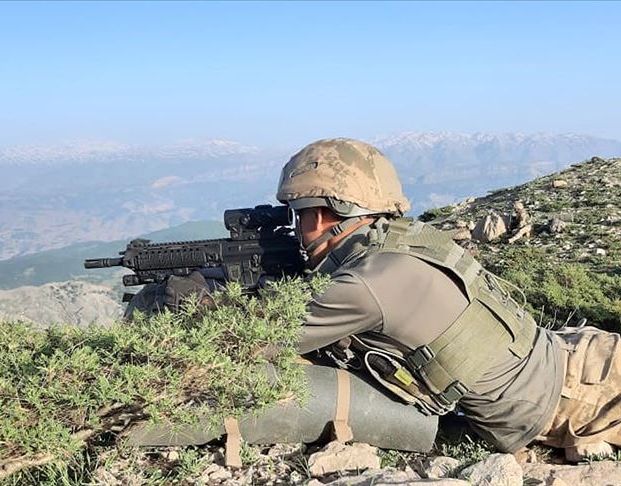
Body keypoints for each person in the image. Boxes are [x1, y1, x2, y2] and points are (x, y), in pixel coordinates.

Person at [128, 138, 620, 461]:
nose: (294, 227)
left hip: (579, 394)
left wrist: (199, 302)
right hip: (567, 357)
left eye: (298, 213)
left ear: (326, 213)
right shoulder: (399, 243)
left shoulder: (369, 283)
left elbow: (255, 340)